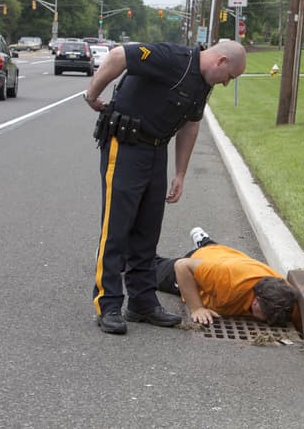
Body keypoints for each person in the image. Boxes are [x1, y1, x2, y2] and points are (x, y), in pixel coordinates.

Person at [84, 41, 247, 335]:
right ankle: (107, 304)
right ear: (221, 61)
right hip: (125, 145)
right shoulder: (171, 58)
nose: (226, 83)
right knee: (117, 226)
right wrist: (92, 94)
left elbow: (191, 125)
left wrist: (180, 173)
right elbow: (119, 55)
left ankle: (142, 302)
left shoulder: (203, 84)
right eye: (230, 77)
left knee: (148, 229)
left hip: (156, 149)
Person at [155, 228, 298, 327]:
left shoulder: (284, 297)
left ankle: (204, 241)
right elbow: (182, 266)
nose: (269, 321)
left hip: (223, 254)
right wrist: (197, 308)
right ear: (255, 301)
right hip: (195, 266)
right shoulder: (228, 281)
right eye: (267, 317)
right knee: (146, 269)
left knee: (213, 255)